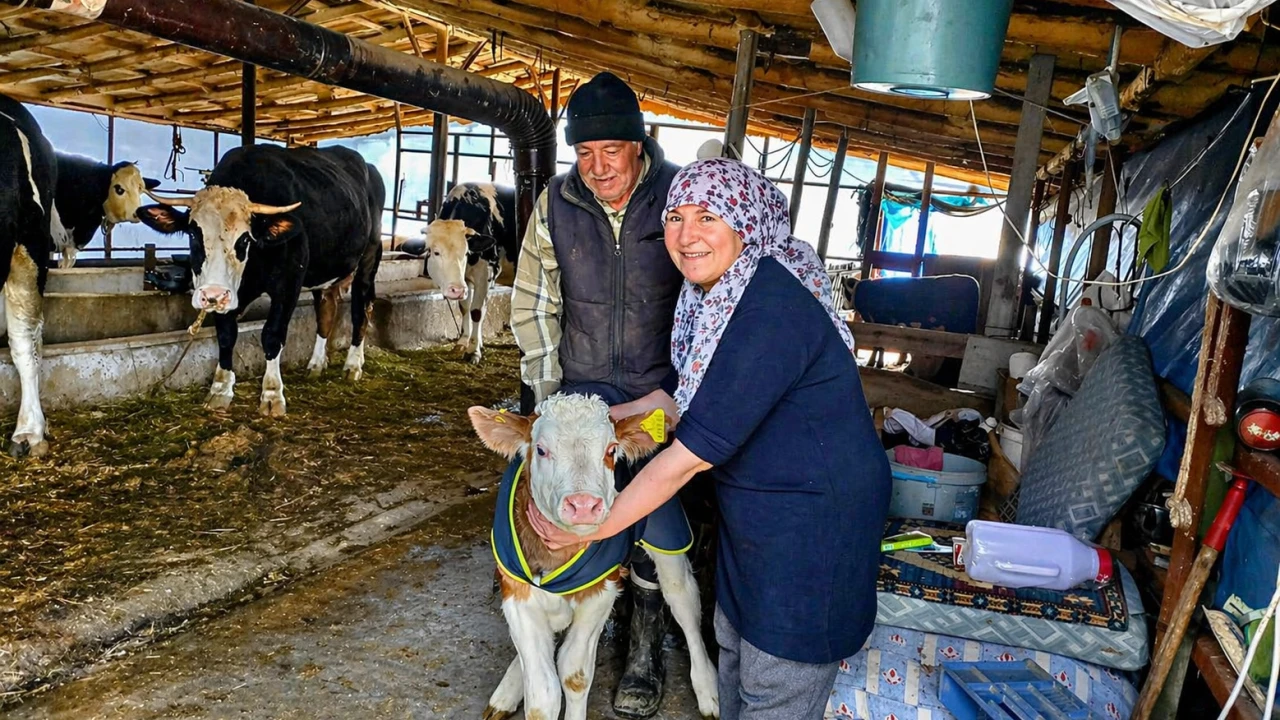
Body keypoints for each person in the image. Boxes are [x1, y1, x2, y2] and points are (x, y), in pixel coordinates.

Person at [529, 157, 892, 720]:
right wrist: (580, 419)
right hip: (759, 509)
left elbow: (684, 458)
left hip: (813, 525)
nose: (686, 235)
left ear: (745, 223)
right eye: (675, 217)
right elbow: (678, 401)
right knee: (736, 652)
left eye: (708, 218)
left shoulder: (769, 308)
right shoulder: (715, 299)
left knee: (777, 675)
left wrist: (589, 529)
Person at [509, 70, 686, 718]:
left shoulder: (676, 198)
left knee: (654, 513)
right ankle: (566, 618)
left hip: (656, 399)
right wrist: (550, 393)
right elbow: (531, 299)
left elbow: (705, 293)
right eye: (584, 153)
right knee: (567, 501)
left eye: (610, 150)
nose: (597, 166)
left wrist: (680, 390)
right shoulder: (557, 202)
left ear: (638, 145)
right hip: (582, 395)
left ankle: (644, 643)